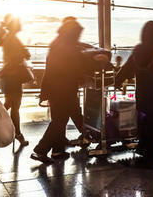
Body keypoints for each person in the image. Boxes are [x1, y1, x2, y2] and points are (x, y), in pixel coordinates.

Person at [32, 20, 107, 163]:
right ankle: (40, 150)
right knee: (59, 121)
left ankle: (58, 151)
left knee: (62, 119)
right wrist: (97, 58)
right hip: (63, 90)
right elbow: (77, 62)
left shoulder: (59, 43)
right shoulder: (66, 46)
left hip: (57, 89)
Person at [115, 21, 153, 163]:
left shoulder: (138, 50)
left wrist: (117, 81)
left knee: (145, 122)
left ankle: (142, 148)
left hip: (142, 95)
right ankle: (151, 154)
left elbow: (126, 68)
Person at [0, 14, 30, 147]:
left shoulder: (7, 37)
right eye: (19, 21)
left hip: (8, 76)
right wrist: (24, 53)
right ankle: (17, 134)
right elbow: (20, 57)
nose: (21, 23)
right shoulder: (13, 39)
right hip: (13, 77)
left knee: (9, 104)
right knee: (15, 107)